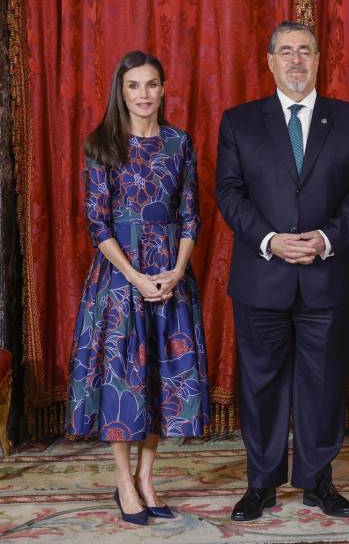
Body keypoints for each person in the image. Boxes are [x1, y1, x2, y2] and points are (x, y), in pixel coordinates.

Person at [216, 21, 349, 521]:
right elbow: (228, 192)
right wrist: (270, 240)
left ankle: (317, 481)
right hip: (262, 277)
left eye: (305, 51)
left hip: (326, 275)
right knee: (260, 385)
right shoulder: (239, 121)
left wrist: (326, 238)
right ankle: (260, 485)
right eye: (285, 52)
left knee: (323, 384)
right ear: (270, 61)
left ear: (318, 58)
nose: (295, 61)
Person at [66, 51, 210, 525]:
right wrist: (134, 276)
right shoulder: (101, 145)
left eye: (151, 85)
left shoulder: (178, 143)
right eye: (134, 86)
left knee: (161, 383)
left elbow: (191, 215)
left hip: (170, 279)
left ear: (164, 89)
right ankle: (124, 482)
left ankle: (148, 480)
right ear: (121, 92)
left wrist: (176, 270)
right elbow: (97, 224)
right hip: (120, 278)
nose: (144, 95)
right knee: (123, 380)